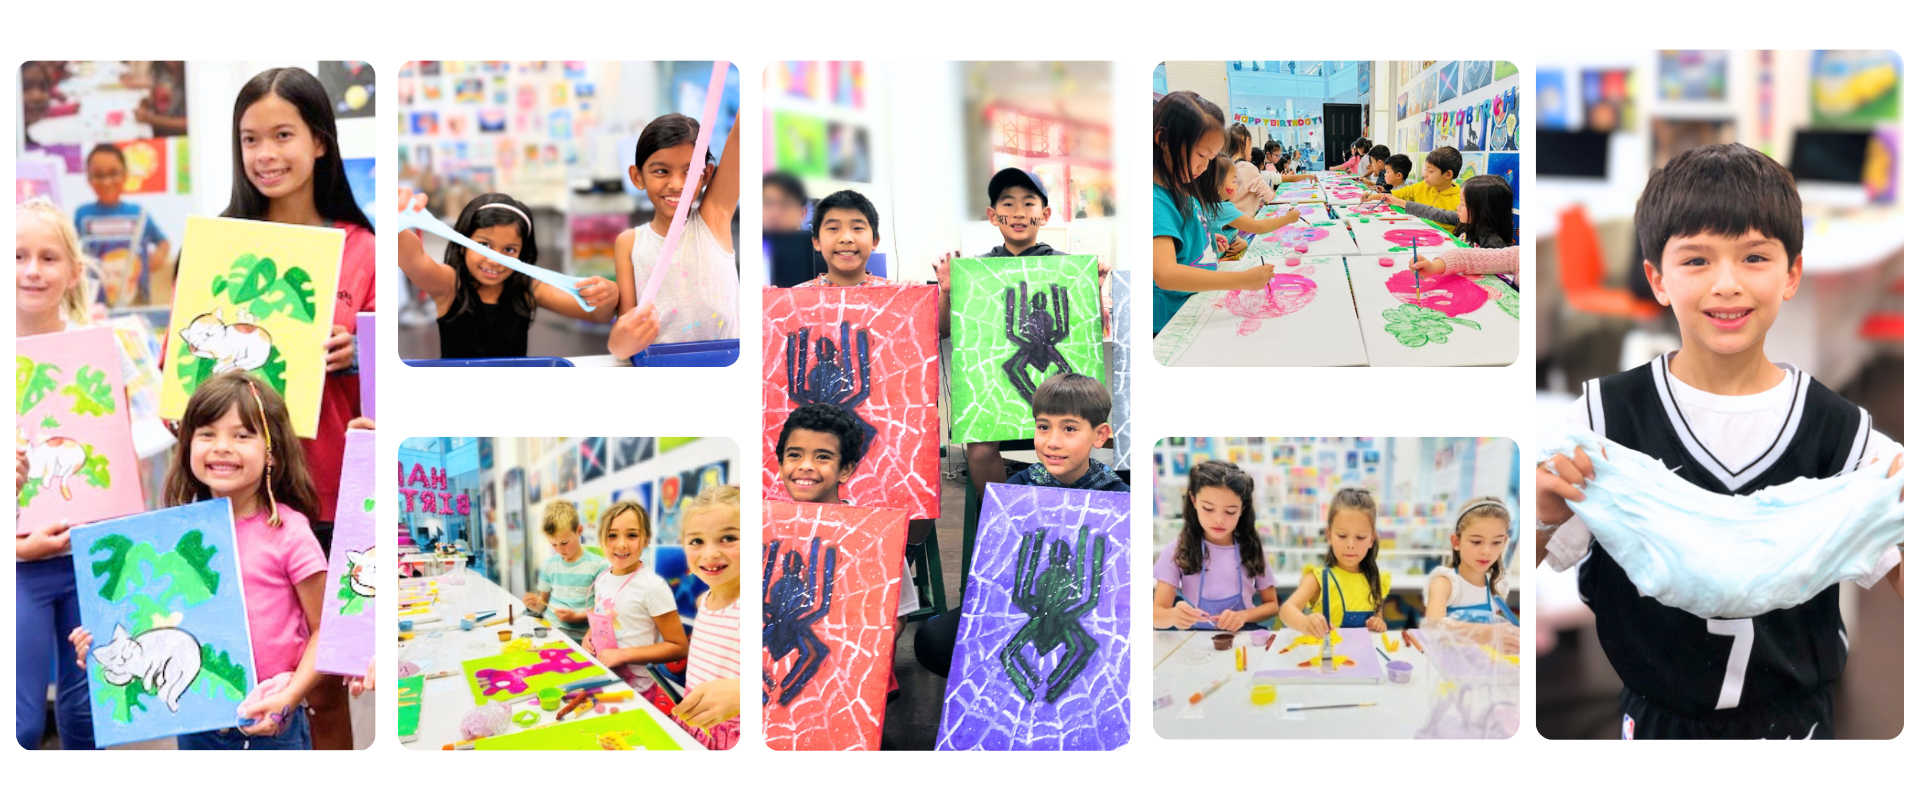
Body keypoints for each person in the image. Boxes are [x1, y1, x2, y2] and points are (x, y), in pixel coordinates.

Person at [1536, 143, 1905, 739]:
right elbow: (1507, 567)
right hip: (1655, 727)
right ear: (1657, 279)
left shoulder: (1842, 435)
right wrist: (1542, 517)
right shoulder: (1604, 422)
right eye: (1696, 260)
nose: (1727, 284)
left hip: (1798, 729)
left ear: (1791, 274)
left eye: (1754, 257)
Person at [72, 372, 327, 749]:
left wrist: (290, 697)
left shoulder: (289, 533)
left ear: (271, 451)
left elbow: (326, 630)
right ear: (188, 443)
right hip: (196, 725)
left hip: (272, 724)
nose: (222, 447)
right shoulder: (172, 539)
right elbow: (142, 625)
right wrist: (96, 643)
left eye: (242, 435)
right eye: (207, 434)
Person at [929, 168, 1112, 499]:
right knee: (979, 448)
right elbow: (942, 331)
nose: (1018, 212)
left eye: (1028, 204)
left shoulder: (1067, 266)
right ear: (992, 215)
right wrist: (946, 291)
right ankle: (1001, 513)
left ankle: (1063, 506)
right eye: (1008, 203)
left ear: (1044, 214)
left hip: (1052, 362)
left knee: (1072, 434)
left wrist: (1094, 288)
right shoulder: (976, 270)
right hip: (1003, 379)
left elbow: (1094, 329)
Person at [14, 199, 101, 750]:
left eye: (48, 257)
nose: (32, 270)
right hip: (17, 565)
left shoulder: (103, 350)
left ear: (73, 271)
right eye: (18, 256)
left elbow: (139, 447)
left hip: (88, 554)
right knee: (20, 724)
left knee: (88, 717)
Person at [397, 190, 618, 358]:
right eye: (484, 245)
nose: (494, 260)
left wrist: (608, 295)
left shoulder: (529, 288)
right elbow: (416, 261)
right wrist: (395, 223)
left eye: (509, 250)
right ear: (463, 244)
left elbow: (598, 316)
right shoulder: (449, 285)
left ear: (522, 253)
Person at [1150, 91, 1275, 336]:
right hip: (1171, 326)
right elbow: (1165, 273)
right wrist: (1243, 280)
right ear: (1163, 139)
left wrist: (1206, 242)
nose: (1205, 166)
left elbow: (1181, 242)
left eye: (1211, 158)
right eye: (1200, 155)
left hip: (1196, 308)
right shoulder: (1155, 201)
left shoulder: (1182, 189)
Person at [614, 112, 742, 349]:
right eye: (661, 171)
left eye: (690, 172)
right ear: (637, 177)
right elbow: (627, 333)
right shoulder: (629, 244)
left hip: (725, 363)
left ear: (706, 175)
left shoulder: (713, 218)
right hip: (659, 366)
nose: (676, 184)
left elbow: (741, 134)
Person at [1152, 461, 1277, 631]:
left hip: (1242, 637)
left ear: (1242, 508)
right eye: (1208, 508)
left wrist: (1243, 616)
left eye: (1230, 511)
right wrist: (1173, 616)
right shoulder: (1176, 551)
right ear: (1194, 500)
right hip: (1194, 639)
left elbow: (1272, 605)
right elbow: (1156, 615)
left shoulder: (1251, 547)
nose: (1219, 519)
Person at [584, 500, 686, 700]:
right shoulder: (602, 579)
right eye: (612, 535)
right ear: (601, 540)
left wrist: (623, 654)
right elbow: (604, 618)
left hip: (636, 690)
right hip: (603, 675)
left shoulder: (652, 586)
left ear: (646, 539)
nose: (621, 544)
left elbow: (678, 647)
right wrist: (589, 636)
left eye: (632, 535)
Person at [669, 485, 741, 750]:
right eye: (697, 541)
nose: (710, 554)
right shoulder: (706, 601)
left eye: (728, 538)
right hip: (695, 725)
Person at [1279, 487, 1390, 635]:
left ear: (1371, 540)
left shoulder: (1375, 580)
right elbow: (1286, 610)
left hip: (1364, 650)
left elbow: (1378, 618)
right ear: (1329, 535)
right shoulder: (1319, 578)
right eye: (1342, 535)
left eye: (1360, 537)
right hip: (1327, 650)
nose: (1350, 545)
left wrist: (1377, 622)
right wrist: (1305, 623)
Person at [74, 144, 170, 306]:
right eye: (98, 175)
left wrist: (159, 255)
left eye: (113, 173)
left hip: (136, 302)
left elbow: (163, 242)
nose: (106, 182)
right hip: (95, 304)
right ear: (89, 179)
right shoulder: (82, 214)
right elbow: (71, 249)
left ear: (125, 175)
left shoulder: (138, 213)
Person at [1424, 497, 1519, 654]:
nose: (1486, 551)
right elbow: (1433, 626)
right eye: (1476, 542)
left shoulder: (1498, 586)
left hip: (1482, 664)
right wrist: (1487, 634)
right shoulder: (1444, 582)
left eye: (1496, 542)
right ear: (1456, 542)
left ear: (1504, 542)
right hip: (1445, 662)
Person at [521, 500, 608, 643]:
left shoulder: (598, 565)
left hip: (583, 638)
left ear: (579, 531)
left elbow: (603, 610)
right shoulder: (549, 565)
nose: (560, 550)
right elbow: (544, 603)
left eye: (564, 543)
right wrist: (534, 605)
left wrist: (577, 617)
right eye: (553, 544)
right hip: (551, 632)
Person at [798, 190, 894, 287]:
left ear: (875, 241)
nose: (846, 238)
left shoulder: (895, 292)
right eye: (833, 228)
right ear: (817, 242)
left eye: (857, 228)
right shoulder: (797, 294)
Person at [1386, 174, 1513, 248]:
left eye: (1462, 204)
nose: (1457, 207)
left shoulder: (1494, 246)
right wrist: (1398, 202)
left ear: (1483, 211)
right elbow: (1432, 212)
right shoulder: (1466, 221)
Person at [1367, 146, 1463, 233]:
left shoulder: (1460, 201)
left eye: (1430, 171)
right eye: (1425, 170)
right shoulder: (1422, 186)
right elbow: (1395, 194)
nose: (1425, 175)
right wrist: (1373, 196)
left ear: (1448, 174)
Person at [1225, 124, 1274, 215]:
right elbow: (1269, 196)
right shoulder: (1247, 168)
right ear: (1247, 142)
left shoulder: (1225, 166)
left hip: (1231, 219)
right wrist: (1273, 193)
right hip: (1247, 220)